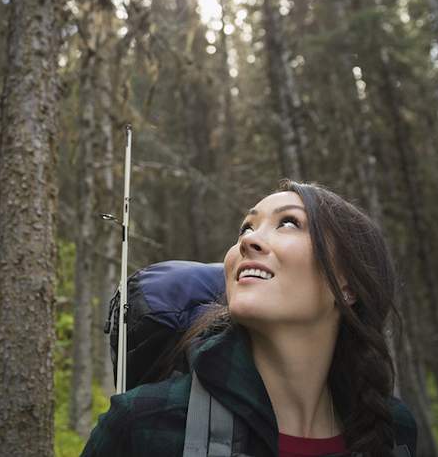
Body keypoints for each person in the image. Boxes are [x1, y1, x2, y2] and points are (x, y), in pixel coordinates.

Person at [81, 180, 417, 457]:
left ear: (347, 286)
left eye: (288, 223)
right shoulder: (143, 426)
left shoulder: (394, 433)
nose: (248, 240)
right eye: (246, 227)